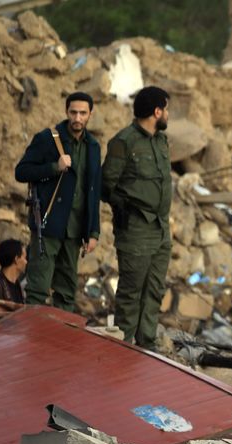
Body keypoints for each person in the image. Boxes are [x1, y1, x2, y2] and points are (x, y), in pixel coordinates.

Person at [14, 91, 101, 311]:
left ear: (90, 114)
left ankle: (61, 344)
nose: (77, 118)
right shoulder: (47, 138)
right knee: (38, 289)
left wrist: (93, 232)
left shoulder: (93, 146)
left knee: (66, 293)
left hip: (75, 230)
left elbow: (93, 190)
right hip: (48, 225)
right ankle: (32, 339)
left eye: (83, 113)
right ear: (66, 112)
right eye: (73, 112)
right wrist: (54, 167)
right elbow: (22, 172)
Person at [102, 86, 172, 350]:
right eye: (166, 109)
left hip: (161, 230)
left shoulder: (161, 141)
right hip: (135, 232)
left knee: (154, 291)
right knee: (131, 295)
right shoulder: (124, 142)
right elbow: (106, 185)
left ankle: (147, 347)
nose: (168, 114)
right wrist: (130, 209)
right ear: (156, 112)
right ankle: (123, 351)